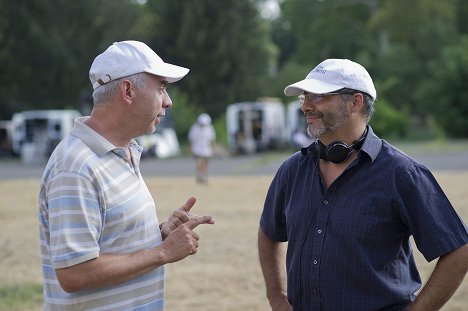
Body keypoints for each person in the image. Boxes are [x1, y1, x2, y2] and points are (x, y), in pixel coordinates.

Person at [258, 58, 468, 310]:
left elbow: (458, 250)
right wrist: (277, 296)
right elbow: (269, 233)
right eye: (305, 97)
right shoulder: (292, 170)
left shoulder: (401, 173)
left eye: (318, 96)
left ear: (355, 102)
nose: (306, 106)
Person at [38, 40, 215, 311]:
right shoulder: (75, 167)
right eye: (161, 88)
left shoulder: (123, 151)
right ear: (128, 91)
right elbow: (74, 273)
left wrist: (160, 235)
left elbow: (111, 241)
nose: (168, 101)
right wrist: (163, 252)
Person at [188, 113, 216, 183]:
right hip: (197, 149)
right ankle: (199, 177)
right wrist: (191, 150)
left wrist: (213, 150)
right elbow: (191, 140)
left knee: (206, 164)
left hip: (207, 150)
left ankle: (205, 177)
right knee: (199, 163)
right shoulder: (195, 128)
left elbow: (212, 140)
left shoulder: (210, 128)